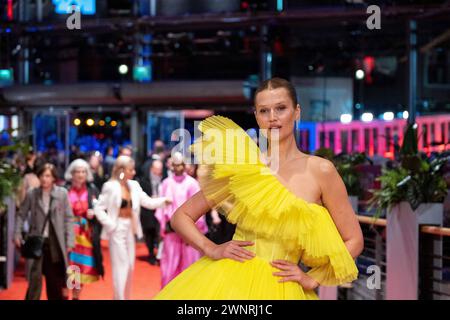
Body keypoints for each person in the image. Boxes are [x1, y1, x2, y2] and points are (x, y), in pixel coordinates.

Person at [154, 77, 363, 299]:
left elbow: (354, 240)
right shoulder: (243, 166)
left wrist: (312, 278)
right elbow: (181, 217)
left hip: (285, 287)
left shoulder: (321, 170)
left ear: (297, 111)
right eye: (264, 111)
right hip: (231, 283)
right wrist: (212, 248)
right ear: (256, 116)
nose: (272, 118)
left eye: (281, 108)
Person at [93, 155, 172, 300]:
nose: (134, 172)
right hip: (116, 229)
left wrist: (163, 201)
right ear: (121, 170)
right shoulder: (110, 186)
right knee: (120, 267)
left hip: (131, 228)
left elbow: (147, 202)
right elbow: (98, 208)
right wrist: (110, 224)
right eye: (130, 169)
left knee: (129, 267)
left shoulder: (134, 185)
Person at [14, 163, 74, 300]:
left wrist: (70, 241)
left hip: (55, 244)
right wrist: (17, 233)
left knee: (54, 283)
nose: (44, 179)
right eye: (41, 175)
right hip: (37, 242)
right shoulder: (32, 194)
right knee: (34, 282)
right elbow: (21, 214)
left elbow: (69, 219)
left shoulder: (62, 194)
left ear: (53, 178)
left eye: (47, 176)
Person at [155, 152, 208, 288]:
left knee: (190, 267)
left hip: (189, 231)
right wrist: (162, 229)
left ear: (184, 165)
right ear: (171, 165)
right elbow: (162, 209)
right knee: (169, 268)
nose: (178, 168)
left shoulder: (192, 184)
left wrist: (193, 231)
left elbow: (199, 210)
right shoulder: (166, 183)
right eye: (175, 165)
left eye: (180, 165)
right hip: (171, 231)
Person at [64, 159, 104, 300]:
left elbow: (101, 209)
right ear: (72, 173)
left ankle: (76, 297)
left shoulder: (92, 190)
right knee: (67, 267)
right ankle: (65, 295)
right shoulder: (65, 189)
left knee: (80, 269)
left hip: (86, 234)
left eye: (83, 171)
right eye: (77, 171)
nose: (80, 174)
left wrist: (93, 213)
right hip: (68, 233)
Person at [138, 159, 164, 265]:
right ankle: (151, 253)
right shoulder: (144, 180)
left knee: (158, 233)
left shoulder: (164, 179)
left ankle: (158, 253)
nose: (158, 171)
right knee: (149, 232)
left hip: (160, 209)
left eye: (160, 169)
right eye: (157, 168)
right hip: (147, 210)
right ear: (152, 168)